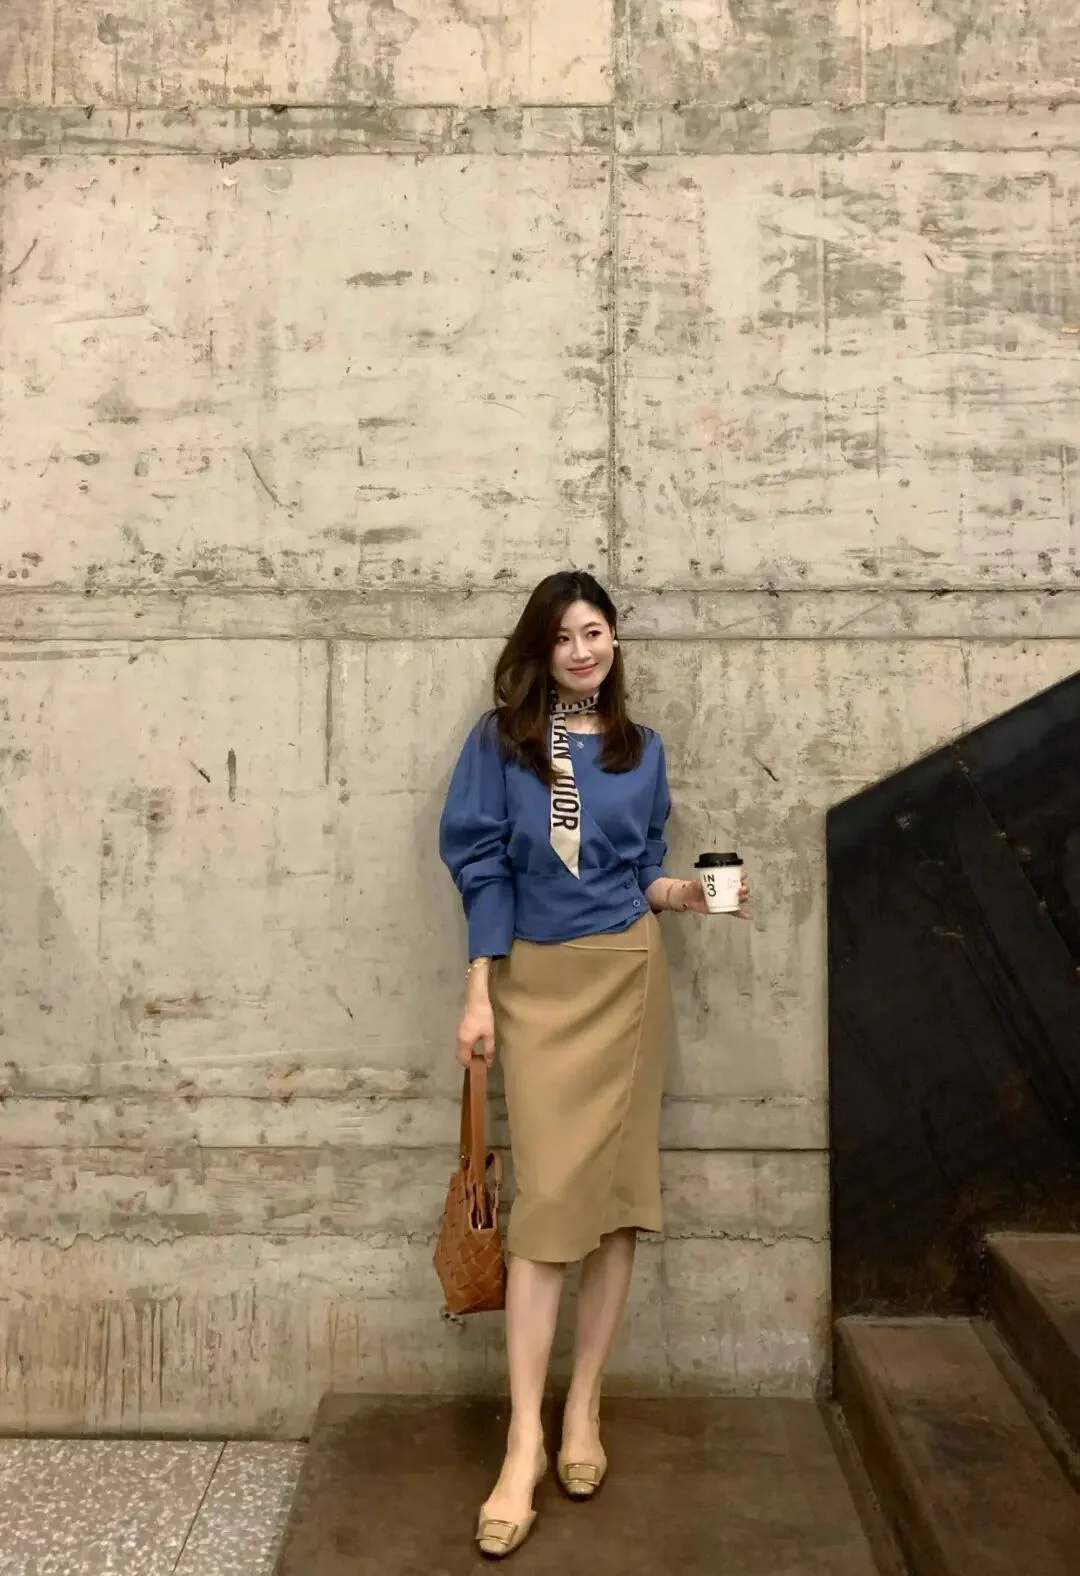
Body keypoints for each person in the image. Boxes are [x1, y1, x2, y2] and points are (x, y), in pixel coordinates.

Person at [438, 570, 749, 1559]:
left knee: (616, 1200)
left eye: (599, 631)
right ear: (541, 646)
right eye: (568, 634)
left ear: (617, 642)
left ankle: (584, 1409)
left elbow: (638, 869)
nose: (586, 649)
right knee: (545, 1212)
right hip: (536, 985)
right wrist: (480, 986)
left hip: (629, 977)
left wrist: (689, 899)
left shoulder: (641, 752)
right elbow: (481, 863)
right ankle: (522, 1437)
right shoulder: (499, 746)